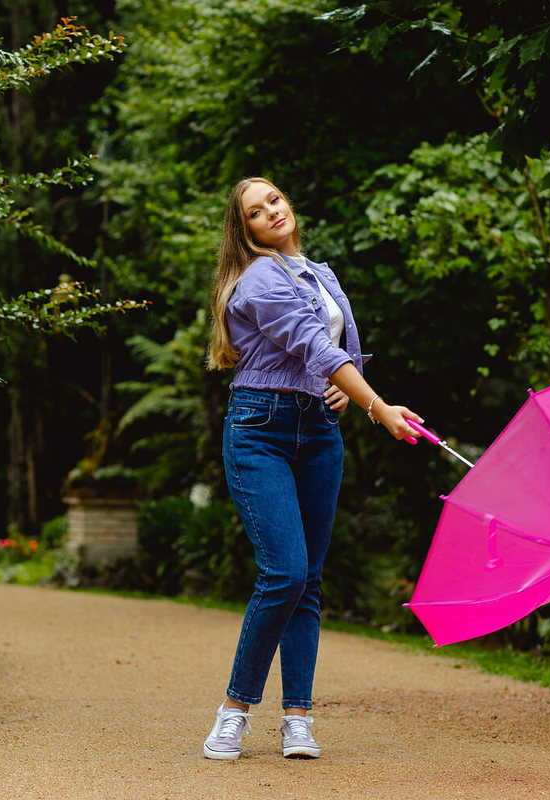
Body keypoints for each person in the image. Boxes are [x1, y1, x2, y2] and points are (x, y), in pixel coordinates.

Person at [202, 177, 422, 760]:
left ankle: (297, 717)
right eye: (254, 211)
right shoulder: (259, 279)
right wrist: (380, 407)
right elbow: (311, 345)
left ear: (289, 205)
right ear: (244, 229)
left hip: (318, 432)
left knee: (310, 580)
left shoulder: (320, 273)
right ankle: (234, 709)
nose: (270, 212)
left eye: (274, 200)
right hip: (260, 430)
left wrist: (346, 394)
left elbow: (333, 355)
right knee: (286, 573)